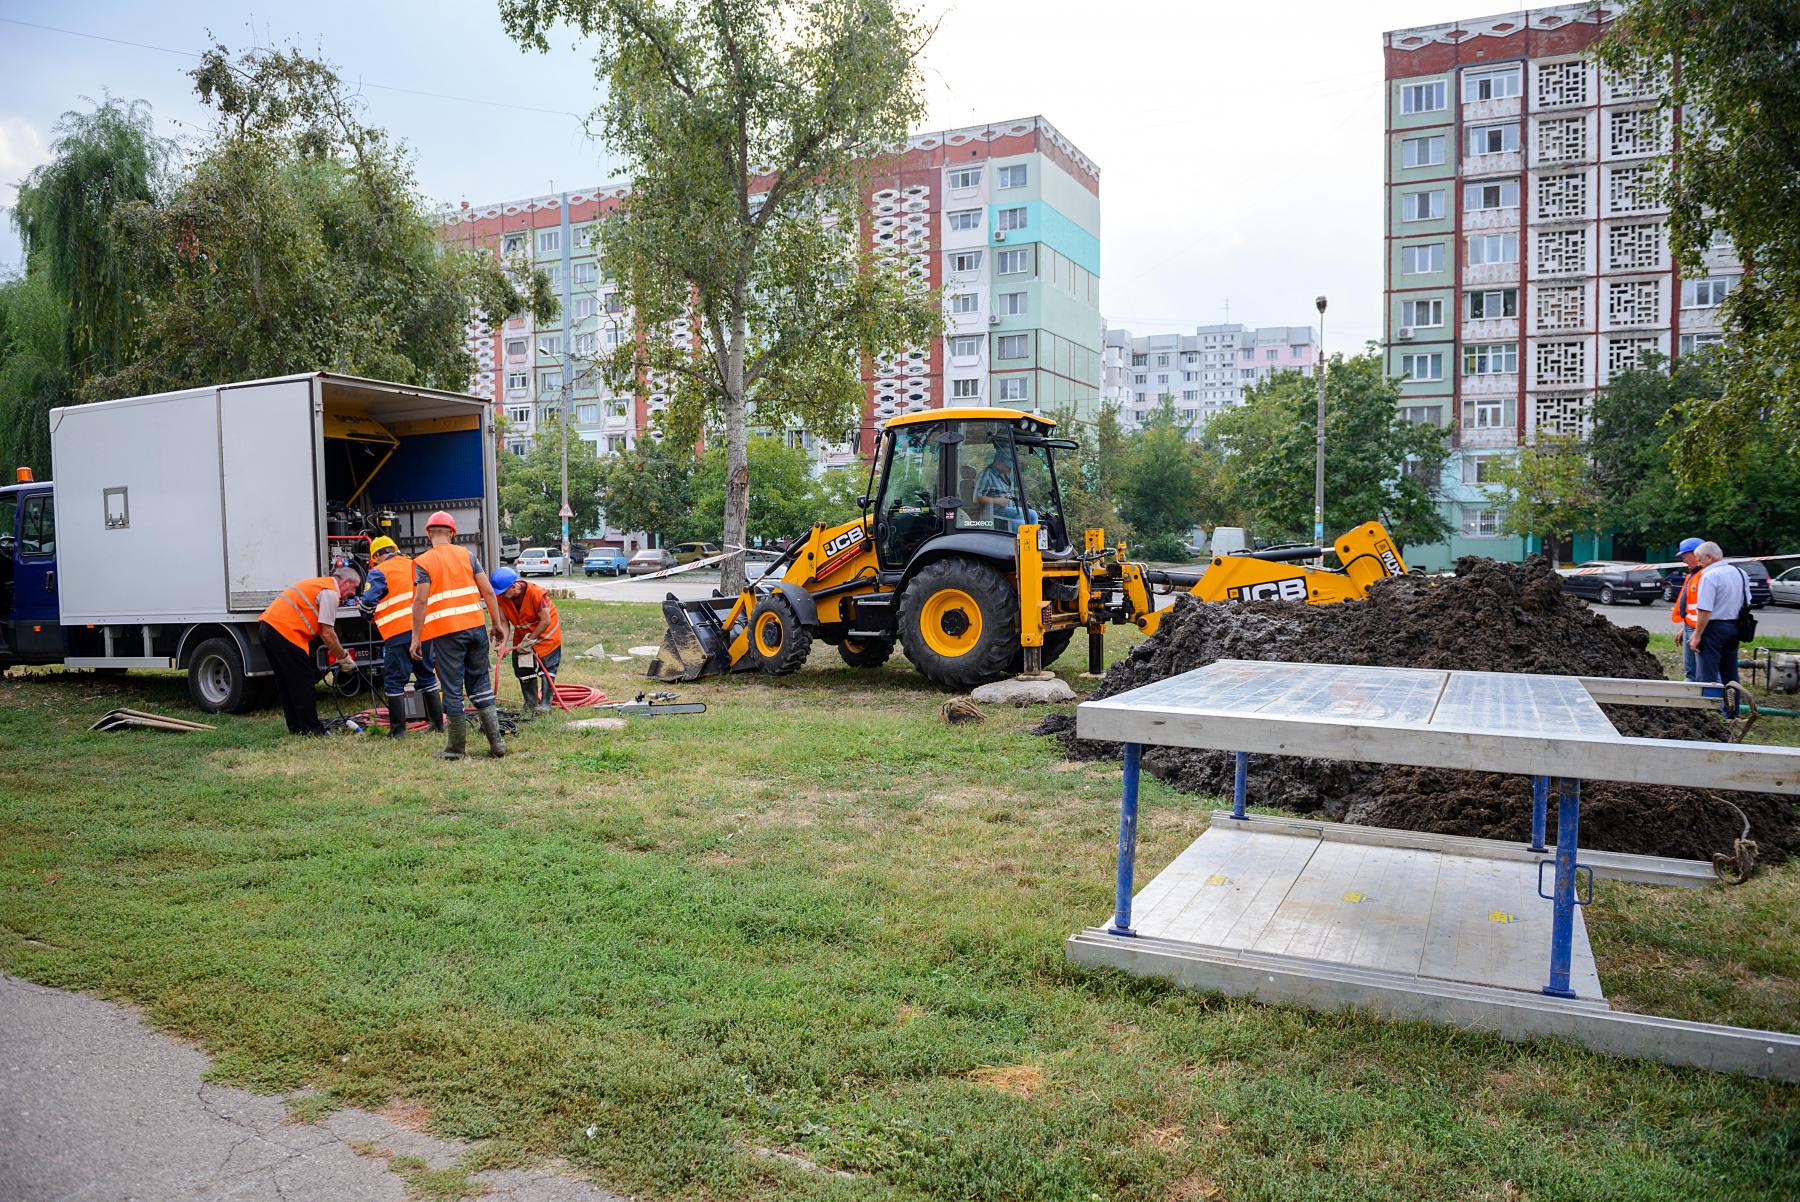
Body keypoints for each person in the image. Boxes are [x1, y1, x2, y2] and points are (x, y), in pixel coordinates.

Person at [409, 511, 509, 759]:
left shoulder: (423, 562)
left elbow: (420, 601)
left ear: (428, 534)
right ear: (452, 534)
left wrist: (416, 637)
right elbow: (488, 591)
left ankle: (456, 749)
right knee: (481, 685)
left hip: (447, 634)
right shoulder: (468, 555)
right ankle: (497, 744)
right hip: (476, 629)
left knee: (452, 689)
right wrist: (496, 624)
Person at [355, 535, 445, 739]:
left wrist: (368, 616)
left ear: (376, 556)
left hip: (398, 633)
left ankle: (398, 731)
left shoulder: (379, 571)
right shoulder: (414, 564)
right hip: (424, 630)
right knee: (427, 676)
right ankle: (438, 724)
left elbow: (367, 603)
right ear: (395, 550)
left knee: (395, 682)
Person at [257, 565, 361, 736]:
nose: (354, 593)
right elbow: (327, 633)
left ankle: (296, 727)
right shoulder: (330, 592)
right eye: (354, 587)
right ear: (345, 582)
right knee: (303, 681)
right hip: (285, 632)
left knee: (287, 682)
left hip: (268, 628)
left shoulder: (320, 585)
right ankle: (313, 729)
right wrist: (344, 659)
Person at [489, 566, 563, 718]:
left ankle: (545, 705)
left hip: (547, 635)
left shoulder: (535, 593)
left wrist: (530, 639)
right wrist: (503, 643)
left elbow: (545, 620)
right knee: (523, 667)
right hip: (523, 637)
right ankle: (530, 703)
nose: (500, 595)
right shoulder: (502, 597)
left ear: (514, 586)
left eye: (503, 592)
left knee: (547, 668)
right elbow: (504, 623)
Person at [1689, 540, 1750, 719]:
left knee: (1706, 674)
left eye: (1700, 560)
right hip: (1735, 627)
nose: (1699, 564)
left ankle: (1708, 716)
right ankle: (1732, 714)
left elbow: (1705, 610)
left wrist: (1697, 635)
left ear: (1709, 557)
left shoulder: (1710, 576)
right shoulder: (1741, 573)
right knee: (1730, 673)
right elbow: (1748, 602)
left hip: (1713, 628)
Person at [1669, 536, 1705, 681]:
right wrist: (1685, 628)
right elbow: (1693, 608)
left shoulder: (1704, 576)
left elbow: (1706, 609)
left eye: (1685, 556)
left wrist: (1697, 632)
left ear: (1696, 554)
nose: (1683, 560)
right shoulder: (1693, 575)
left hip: (1699, 629)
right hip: (1691, 627)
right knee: (1691, 671)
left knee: (1702, 671)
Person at [973, 449, 1021, 524]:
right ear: (998, 463)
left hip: (1009, 511)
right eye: (1008, 467)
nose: (1010, 469)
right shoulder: (987, 474)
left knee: (1031, 514)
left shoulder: (1005, 476)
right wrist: (997, 501)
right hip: (996, 514)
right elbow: (977, 498)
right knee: (1025, 518)